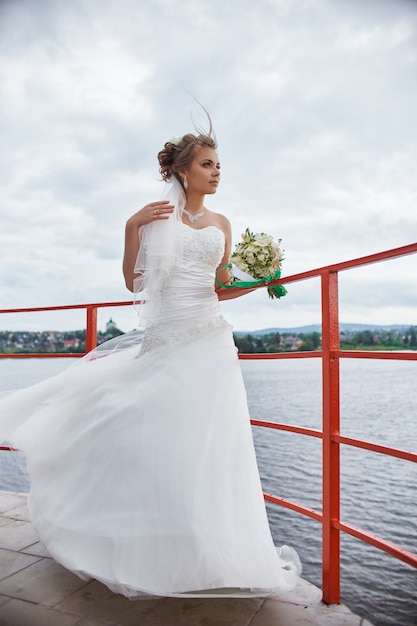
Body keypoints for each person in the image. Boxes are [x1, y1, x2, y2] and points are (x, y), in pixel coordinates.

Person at [0, 122, 301, 598]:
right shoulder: (156, 217)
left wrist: (259, 279)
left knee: (211, 447)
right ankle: (139, 548)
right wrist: (132, 225)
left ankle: (208, 556)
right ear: (182, 171)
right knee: (149, 436)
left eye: (219, 165)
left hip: (211, 341)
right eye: (207, 165)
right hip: (166, 338)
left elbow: (220, 288)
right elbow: (133, 283)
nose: (216, 172)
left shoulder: (222, 224)